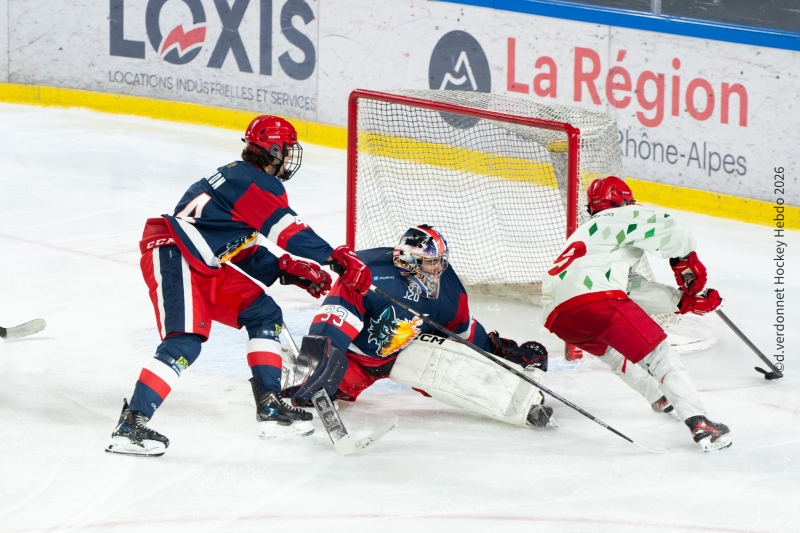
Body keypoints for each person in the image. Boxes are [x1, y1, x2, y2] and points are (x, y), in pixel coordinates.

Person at [106, 115, 371, 457]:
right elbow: (288, 230)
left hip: (201, 260)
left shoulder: (238, 177)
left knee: (263, 313)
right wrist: (334, 257)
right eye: (287, 149)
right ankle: (130, 426)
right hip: (176, 256)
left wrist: (284, 270)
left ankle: (270, 405)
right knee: (184, 342)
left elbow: (239, 247)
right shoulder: (253, 182)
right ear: (272, 150)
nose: (290, 156)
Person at [282, 225, 556, 430]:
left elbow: (468, 338)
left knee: (452, 369)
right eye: (431, 261)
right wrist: (313, 366)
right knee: (312, 383)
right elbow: (333, 322)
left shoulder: (449, 292)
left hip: (407, 353)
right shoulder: (366, 272)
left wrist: (503, 361)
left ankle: (517, 404)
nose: (438, 269)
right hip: (354, 357)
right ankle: (293, 373)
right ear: (409, 260)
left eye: (440, 260)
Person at [541, 176, 730, 452]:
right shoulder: (621, 216)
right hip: (597, 299)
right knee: (660, 355)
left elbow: (630, 288)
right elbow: (672, 228)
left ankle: (660, 398)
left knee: (615, 355)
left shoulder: (588, 236)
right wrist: (686, 263)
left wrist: (683, 302)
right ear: (624, 201)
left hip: (559, 317)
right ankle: (699, 422)